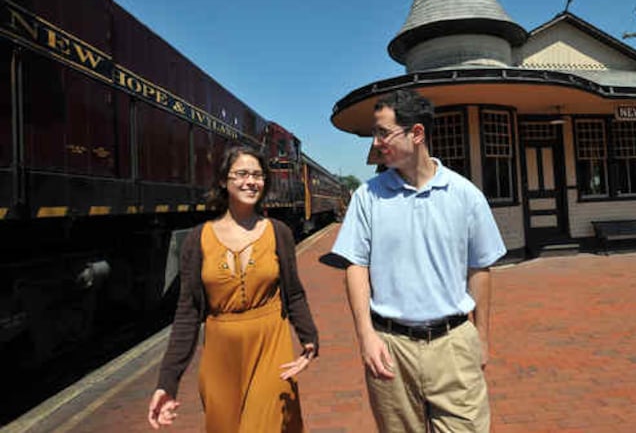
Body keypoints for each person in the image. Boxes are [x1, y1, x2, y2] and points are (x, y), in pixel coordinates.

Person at [331, 88, 506, 432]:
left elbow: (480, 269)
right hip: (390, 349)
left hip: (454, 343)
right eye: (374, 133)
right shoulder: (368, 196)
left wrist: (482, 337)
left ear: (417, 134)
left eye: (383, 132)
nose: (376, 142)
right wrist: (366, 335)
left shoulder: (465, 195)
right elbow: (356, 267)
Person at [148, 145, 318, 432]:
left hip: (270, 345)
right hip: (220, 354)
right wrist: (168, 382)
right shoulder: (197, 240)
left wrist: (309, 337)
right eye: (241, 174)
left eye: (257, 175)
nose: (250, 181)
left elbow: (295, 292)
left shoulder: (279, 232)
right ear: (223, 180)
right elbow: (187, 312)